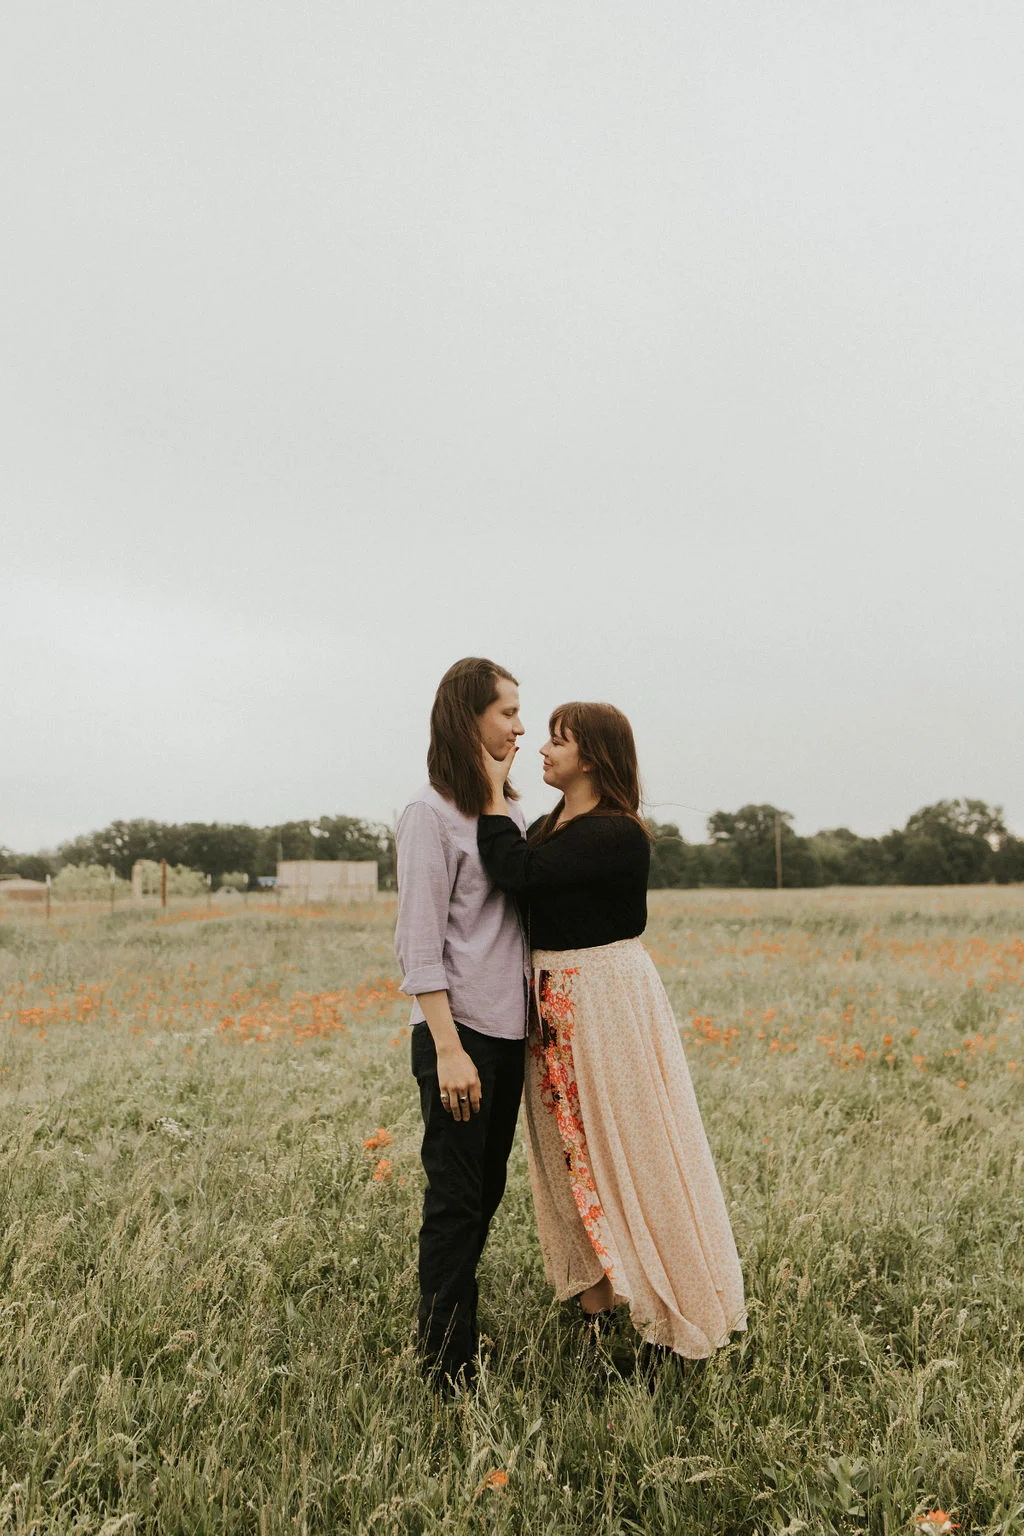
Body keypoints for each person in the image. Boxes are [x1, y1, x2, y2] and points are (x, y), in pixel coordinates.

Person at [476, 702, 746, 1362]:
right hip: (553, 1000)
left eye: (558, 741)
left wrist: (489, 793)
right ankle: (597, 1312)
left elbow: (519, 873)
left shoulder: (615, 831)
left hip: (602, 1000)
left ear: (592, 758)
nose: (543, 749)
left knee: (632, 1148)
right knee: (569, 1151)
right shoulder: (552, 823)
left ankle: (673, 1311)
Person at [394, 657, 530, 1388]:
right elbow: (418, 947)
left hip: (509, 1035)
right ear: (468, 716)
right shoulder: (430, 815)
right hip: (460, 1036)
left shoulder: (506, 813)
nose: (519, 726)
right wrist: (448, 1049)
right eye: (507, 711)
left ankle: (452, 1332)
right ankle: (446, 1366)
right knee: (454, 1200)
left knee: (486, 1193)